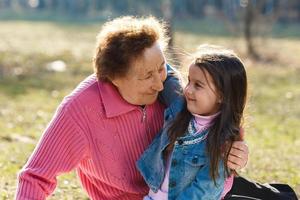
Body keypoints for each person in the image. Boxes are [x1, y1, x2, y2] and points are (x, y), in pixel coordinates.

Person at [15, 16, 248, 200]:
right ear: (114, 78)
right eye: (147, 76)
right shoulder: (80, 111)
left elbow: (218, 117)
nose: (159, 83)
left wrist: (237, 150)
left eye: (161, 68)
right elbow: (35, 176)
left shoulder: (169, 88)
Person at [137, 45, 248, 200]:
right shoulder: (180, 107)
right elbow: (163, 71)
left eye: (198, 85)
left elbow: (204, 190)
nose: (188, 90)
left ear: (222, 95)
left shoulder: (223, 142)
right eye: (189, 81)